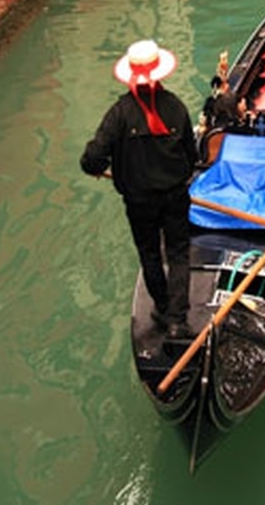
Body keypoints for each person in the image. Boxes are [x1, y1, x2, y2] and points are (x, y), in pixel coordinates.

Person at [80, 39, 197, 338]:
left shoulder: (119, 113)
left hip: (139, 200)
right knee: (179, 252)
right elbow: (192, 156)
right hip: (174, 195)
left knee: (149, 253)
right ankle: (177, 320)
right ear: (161, 73)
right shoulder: (176, 107)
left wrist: (97, 170)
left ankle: (161, 306)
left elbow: (92, 157)